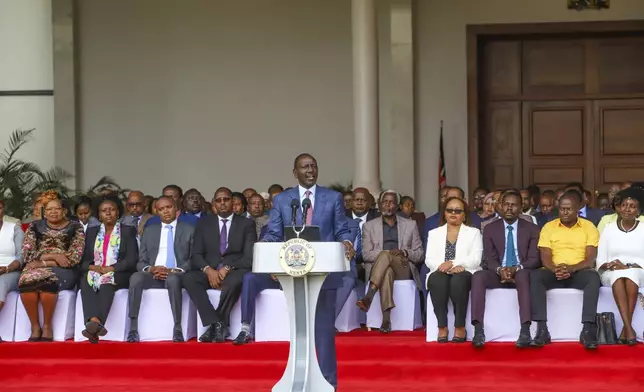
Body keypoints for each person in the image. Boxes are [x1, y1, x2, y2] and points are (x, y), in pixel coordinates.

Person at [262, 153, 354, 389]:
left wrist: (347, 243)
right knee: (299, 331)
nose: (310, 170)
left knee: (323, 332)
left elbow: (342, 230)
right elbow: (273, 233)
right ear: (295, 173)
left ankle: (328, 384)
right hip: (292, 274)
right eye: (305, 167)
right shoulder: (283, 200)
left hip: (325, 273)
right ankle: (296, 380)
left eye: (314, 166)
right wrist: (268, 251)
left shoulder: (332, 198)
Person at [182, 187, 256, 343]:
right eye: (218, 200)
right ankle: (215, 322)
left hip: (234, 269)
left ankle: (215, 326)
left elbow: (249, 256)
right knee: (189, 278)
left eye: (226, 199)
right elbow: (196, 255)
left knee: (235, 281)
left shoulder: (246, 224)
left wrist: (228, 267)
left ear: (233, 202)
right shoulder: (204, 223)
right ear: (214, 203)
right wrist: (208, 270)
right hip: (210, 269)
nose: (222, 203)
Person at [531, 190, 601, 350]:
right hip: (554, 271)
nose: (565, 212)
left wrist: (571, 269)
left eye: (569, 209)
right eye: (562, 208)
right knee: (536, 276)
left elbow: (590, 259)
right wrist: (556, 269)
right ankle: (542, 330)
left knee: (593, 278)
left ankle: (588, 329)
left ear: (578, 210)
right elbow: (545, 256)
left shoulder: (588, 227)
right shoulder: (549, 227)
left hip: (578, 271)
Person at [472, 190, 541, 348]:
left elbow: (534, 259)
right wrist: (499, 270)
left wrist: (517, 268)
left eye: (514, 205)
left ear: (521, 207)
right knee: (478, 276)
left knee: (523, 275)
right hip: (498, 273)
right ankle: (478, 330)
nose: (509, 208)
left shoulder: (532, 229)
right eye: (506, 204)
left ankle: (525, 330)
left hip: (521, 271)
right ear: (500, 206)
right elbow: (489, 258)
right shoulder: (490, 228)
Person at [127, 196, 195, 343]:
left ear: (176, 209)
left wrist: (175, 270)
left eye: (168, 207)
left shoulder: (189, 229)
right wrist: (151, 269)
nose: (165, 211)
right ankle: (133, 328)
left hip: (176, 275)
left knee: (172, 279)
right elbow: (141, 261)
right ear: (156, 212)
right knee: (135, 277)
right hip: (154, 274)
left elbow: (193, 258)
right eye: (161, 209)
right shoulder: (150, 230)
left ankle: (177, 328)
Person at [19, 193, 85, 341]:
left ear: (64, 211)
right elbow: (27, 253)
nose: (53, 212)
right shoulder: (35, 226)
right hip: (36, 266)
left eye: (57, 209)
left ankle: (48, 326)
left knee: (47, 281)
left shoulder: (75, 227)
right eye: (49, 209)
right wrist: (54, 257)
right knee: (26, 280)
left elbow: (75, 256)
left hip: (65, 270)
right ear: (45, 212)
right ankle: (35, 326)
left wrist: (44, 263)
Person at [356, 191, 424, 332]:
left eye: (391, 202)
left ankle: (369, 296)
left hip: (403, 267)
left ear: (397, 206)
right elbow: (366, 254)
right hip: (379, 269)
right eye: (385, 202)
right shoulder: (369, 226)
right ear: (380, 206)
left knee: (387, 257)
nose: (388, 205)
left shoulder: (410, 225)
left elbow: (419, 254)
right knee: (386, 270)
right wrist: (385, 254)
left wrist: (404, 252)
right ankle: (386, 321)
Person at [79, 195, 137, 343]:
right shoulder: (92, 232)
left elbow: (132, 259)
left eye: (112, 209)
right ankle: (94, 323)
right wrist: (93, 267)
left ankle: (94, 322)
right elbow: (83, 260)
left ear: (118, 212)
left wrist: (112, 268)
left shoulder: (127, 231)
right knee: (86, 281)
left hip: (119, 273)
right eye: (104, 210)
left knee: (106, 282)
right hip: (96, 269)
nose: (108, 213)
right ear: (99, 215)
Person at [425, 197, 482, 343]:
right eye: (449, 210)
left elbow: (476, 259)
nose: (453, 213)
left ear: (464, 215)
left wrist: (454, 263)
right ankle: (442, 326)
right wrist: (443, 266)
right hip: (440, 270)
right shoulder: (434, 233)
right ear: (444, 213)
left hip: (465, 271)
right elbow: (429, 259)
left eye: (458, 211)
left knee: (458, 281)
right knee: (437, 280)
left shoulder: (474, 232)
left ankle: (460, 326)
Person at [595, 188, 644, 345]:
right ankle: (629, 329)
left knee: (631, 276)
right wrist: (609, 265)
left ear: (639, 211)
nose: (627, 209)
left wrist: (628, 265)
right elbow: (600, 257)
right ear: (619, 207)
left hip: (639, 270)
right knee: (619, 276)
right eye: (624, 205)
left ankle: (626, 330)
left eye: (632, 206)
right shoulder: (609, 229)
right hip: (612, 272)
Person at [0, 199, 25, 342]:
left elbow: (21, 257)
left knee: (0, 283)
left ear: (3, 209)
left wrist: (7, 268)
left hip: (10, 271)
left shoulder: (14, 228)